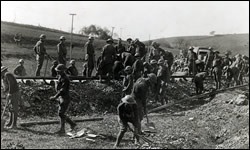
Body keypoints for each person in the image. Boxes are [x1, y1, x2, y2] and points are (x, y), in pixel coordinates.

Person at [49, 64, 77, 134]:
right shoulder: (60, 77)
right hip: (61, 97)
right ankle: (65, 128)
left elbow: (62, 90)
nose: (57, 72)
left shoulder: (65, 79)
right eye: (57, 71)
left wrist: (55, 96)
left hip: (65, 98)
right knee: (61, 113)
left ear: (63, 71)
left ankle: (70, 125)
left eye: (59, 71)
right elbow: (58, 87)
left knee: (61, 113)